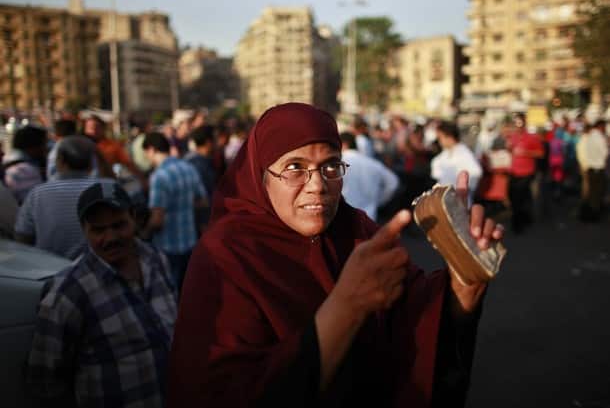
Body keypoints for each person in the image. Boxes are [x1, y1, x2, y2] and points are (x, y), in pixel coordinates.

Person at [168, 103, 504, 408]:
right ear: (261, 177)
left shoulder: (357, 230)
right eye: (295, 167)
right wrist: (346, 308)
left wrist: (464, 279)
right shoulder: (225, 254)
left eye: (330, 167)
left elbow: (419, 321)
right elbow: (221, 391)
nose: (317, 185)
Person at [26, 182, 177, 407]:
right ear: (84, 229)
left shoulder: (156, 260)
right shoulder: (69, 292)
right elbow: (45, 380)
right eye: (98, 230)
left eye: (119, 225)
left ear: (134, 218)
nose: (110, 238)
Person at [14, 136, 104, 260]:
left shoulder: (37, 194)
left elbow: (22, 238)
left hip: (49, 270)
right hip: (100, 270)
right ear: (91, 163)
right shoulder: (106, 188)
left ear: (59, 160)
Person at [142, 132, 207, 291]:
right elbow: (203, 201)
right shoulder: (188, 168)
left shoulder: (159, 177)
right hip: (190, 242)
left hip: (167, 248)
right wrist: (183, 205)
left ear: (151, 150)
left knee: (171, 293)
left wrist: (143, 234)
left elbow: (157, 220)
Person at [340, 131, 399, 222]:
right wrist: (379, 201)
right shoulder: (373, 163)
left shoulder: (339, 163)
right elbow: (393, 182)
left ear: (344, 144)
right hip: (369, 218)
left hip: (344, 217)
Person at [431, 121, 482, 204]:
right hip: (444, 199)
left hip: (459, 201)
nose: (439, 141)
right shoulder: (444, 154)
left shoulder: (464, 153)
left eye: (440, 138)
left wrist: (462, 190)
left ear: (449, 137)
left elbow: (476, 173)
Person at [2, 125, 47, 203]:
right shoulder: (25, 170)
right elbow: (36, 203)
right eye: (44, 143)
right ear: (34, 146)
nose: (45, 148)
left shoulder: (8, 159)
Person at [576, 121, 608, 222]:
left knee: (590, 192)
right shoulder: (599, 137)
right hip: (597, 169)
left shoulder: (587, 138)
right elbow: (605, 153)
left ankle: (587, 214)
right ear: (601, 126)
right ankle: (593, 214)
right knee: (596, 193)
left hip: (589, 168)